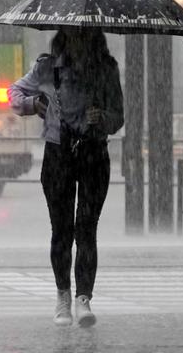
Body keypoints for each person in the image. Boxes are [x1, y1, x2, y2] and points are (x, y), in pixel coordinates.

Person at [9, 27, 124, 327]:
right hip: (58, 155)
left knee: (87, 229)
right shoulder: (47, 67)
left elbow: (118, 116)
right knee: (62, 230)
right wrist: (33, 104)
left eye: (84, 36)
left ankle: (83, 298)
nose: (79, 42)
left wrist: (104, 118)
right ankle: (63, 296)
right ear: (64, 37)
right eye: (73, 35)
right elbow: (15, 92)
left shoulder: (106, 70)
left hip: (93, 154)